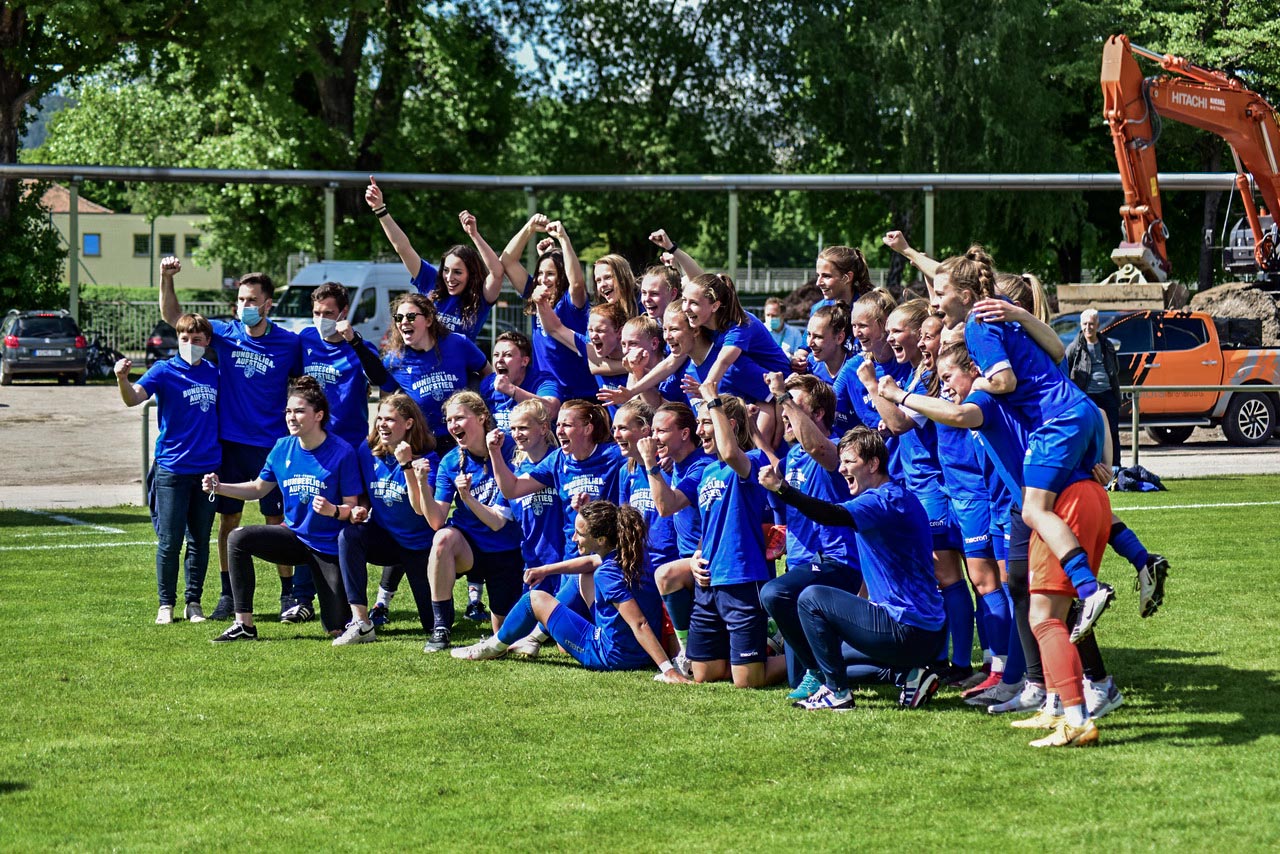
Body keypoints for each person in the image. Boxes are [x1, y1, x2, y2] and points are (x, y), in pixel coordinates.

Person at [933, 247, 1115, 641]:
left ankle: (1088, 589)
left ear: (966, 295)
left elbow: (1004, 383)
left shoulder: (980, 326)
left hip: (1056, 423)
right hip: (1078, 414)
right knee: (1065, 510)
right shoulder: (1009, 320)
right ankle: (1139, 561)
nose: (933, 303)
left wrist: (975, 383)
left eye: (939, 294)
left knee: (1036, 514)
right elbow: (1058, 350)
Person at [759, 427, 947, 712]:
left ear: (873, 464)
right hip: (922, 633)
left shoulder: (882, 500)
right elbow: (875, 574)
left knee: (810, 597)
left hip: (908, 630)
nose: (842, 468)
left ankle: (837, 693)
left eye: (849, 462)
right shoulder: (895, 497)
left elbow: (831, 514)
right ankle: (910, 675)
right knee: (831, 653)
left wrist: (782, 489)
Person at [159, 256, 302, 622]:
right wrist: (166, 277)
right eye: (240, 300)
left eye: (252, 301)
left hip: (272, 445)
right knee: (229, 521)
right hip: (231, 445)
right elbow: (174, 317)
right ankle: (227, 593)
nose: (245, 307)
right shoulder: (224, 333)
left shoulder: (289, 343)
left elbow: (306, 383)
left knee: (277, 522)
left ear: (268, 304)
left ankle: (289, 595)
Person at [860, 300, 972, 688]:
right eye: (888, 331)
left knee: (949, 575)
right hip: (922, 489)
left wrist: (874, 388)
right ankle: (945, 657)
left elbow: (898, 425)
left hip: (934, 491)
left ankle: (958, 661)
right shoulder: (916, 374)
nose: (891, 338)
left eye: (898, 331)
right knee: (947, 576)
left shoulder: (926, 379)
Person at [450, 501, 688, 682]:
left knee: (534, 599)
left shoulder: (607, 574)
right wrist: (545, 570)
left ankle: (492, 647)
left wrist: (668, 670)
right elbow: (590, 563)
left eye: (580, 534)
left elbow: (639, 624)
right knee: (580, 578)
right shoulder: (633, 555)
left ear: (602, 539)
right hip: (639, 652)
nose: (574, 538)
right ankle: (532, 640)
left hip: (611, 655)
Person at [203, 377, 362, 642]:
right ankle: (244, 625)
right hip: (294, 538)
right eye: (288, 411)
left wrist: (333, 510)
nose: (291, 417)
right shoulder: (282, 447)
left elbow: (352, 507)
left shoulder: (342, 452)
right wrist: (219, 487)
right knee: (238, 537)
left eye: (299, 411)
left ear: (318, 415)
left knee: (336, 627)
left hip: (328, 546)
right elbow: (257, 489)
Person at [759, 372, 861, 701]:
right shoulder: (793, 459)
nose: (784, 413)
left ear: (817, 414)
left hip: (839, 562)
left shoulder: (838, 450)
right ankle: (879, 669)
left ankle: (822, 675)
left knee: (774, 594)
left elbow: (818, 446)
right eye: (783, 408)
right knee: (793, 678)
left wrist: (781, 396)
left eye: (793, 406)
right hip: (803, 564)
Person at [114, 312, 219, 625]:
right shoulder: (164, 370)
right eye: (185, 339)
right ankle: (166, 605)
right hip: (172, 468)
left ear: (207, 342)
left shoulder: (215, 373)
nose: (190, 344)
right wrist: (122, 378)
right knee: (170, 541)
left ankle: (194, 603)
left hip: (207, 470)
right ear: (178, 339)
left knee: (200, 540)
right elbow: (134, 399)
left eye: (197, 339)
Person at [687, 388, 787, 689]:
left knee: (747, 681)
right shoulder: (707, 473)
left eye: (706, 422)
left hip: (742, 578)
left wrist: (711, 396)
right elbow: (710, 526)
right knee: (705, 673)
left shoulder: (752, 462)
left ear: (728, 424)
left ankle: (803, 653)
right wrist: (696, 556)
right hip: (708, 581)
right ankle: (756, 651)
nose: (699, 430)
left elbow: (731, 452)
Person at [415, 391, 525, 652]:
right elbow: (435, 520)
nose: (453, 425)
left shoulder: (509, 449)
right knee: (442, 539)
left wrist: (466, 496)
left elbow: (498, 523)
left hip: (507, 550)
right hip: (469, 550)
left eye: (460, 418)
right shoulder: (451, 461)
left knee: (503, 637)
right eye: (449, 420)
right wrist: (421, 483)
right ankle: (441, 626)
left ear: (482, 417)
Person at [332, 394, 439, 646]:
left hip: (419, 546)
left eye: (390, 419)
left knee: (432, 624)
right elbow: (367, 494)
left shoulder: (427, 459)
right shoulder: (366, 452)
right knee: (349, 536)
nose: (382, 424)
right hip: (385, 538)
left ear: (409, 423)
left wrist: (406, 466)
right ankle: (361, 622)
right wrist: (361, 509)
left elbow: (420, 510)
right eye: (380, 418)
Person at [365, 177, 504, 340]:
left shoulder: (480, 297)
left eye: (458, 272)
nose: (449, 278)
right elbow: (403, 248)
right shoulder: (432, 281)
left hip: (457, 365)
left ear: (471, 274)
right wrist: (380, 209)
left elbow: (497, 272)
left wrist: (474, 235)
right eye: (446, 270)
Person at [636, 402, 713, 673]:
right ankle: (687, 652)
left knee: (665, 575)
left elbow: (666, 506)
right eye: (653, 430)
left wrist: (649, 463)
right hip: (688, 556)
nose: (654, 437)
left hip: (708, 559)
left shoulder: (701, 466)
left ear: (684, 434)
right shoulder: (678, 464)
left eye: (662, 431)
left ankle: (687, 653)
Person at [499, 215, 597, 400]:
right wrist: (529, 228)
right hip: (548, 391)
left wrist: (563, 239)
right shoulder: (534, 295)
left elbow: (576, 283)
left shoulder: (571, 301)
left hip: (582, 395)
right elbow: (508, 261)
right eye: (540, 273)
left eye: (551, 274)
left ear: (562, 277)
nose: (543, 279)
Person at [380, 293, 492, 453]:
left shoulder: (458, 343)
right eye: (398, 318)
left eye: (411, 316)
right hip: (425, 444)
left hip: (464, 438)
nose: (404, 321)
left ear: (428, 320)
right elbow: (387, 400)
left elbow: (488, 374)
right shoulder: (394, 360)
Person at [1065, 308, 1122, 464]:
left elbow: (1114, 368)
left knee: (1113, 433)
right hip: (1086, 395)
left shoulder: (1107, 345)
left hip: (1107, 393)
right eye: (1085, 324)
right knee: (1087, 434)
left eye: (1091, 324)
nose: (1088, 327)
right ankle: (1088, 467)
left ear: (1097, 324)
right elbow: (1066, 371)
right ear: (1080, 325)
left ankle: (1115, 469)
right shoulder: (1074, 347)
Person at [480, 331, 560, 432]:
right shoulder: (488, 383)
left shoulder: (542, 381)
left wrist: (511, 390)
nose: (499, 360)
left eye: (507, 355)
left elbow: (551, 410)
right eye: (496, 355)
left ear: (524, 361)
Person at [811, 245, 873, 315]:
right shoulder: (818, 310)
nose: (818, 283)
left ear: (847, 278)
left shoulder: (870, 309)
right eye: (818, 275)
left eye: (826, 276)